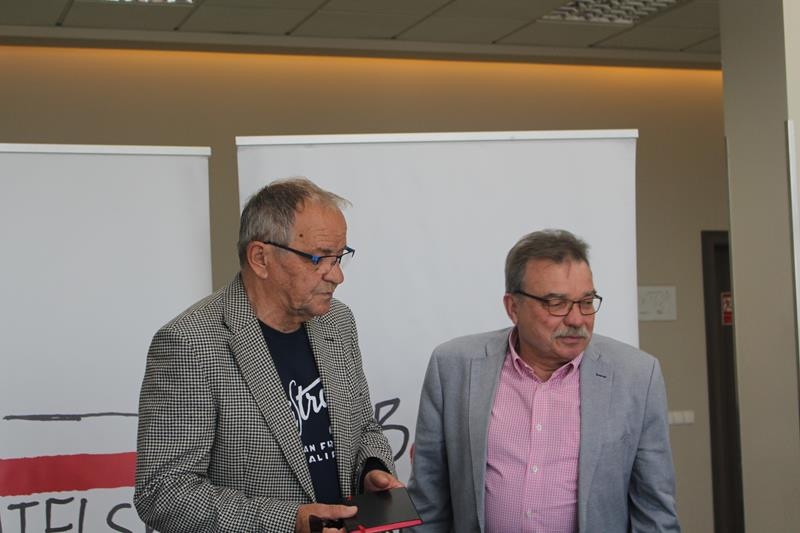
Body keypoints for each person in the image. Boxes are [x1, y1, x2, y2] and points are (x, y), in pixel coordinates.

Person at [134, 177, 401, 533]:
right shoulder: (189, 344)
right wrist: (291, 522)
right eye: (319, 258)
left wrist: (372, 470)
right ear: (260, 258)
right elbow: (163, 492)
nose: (337, 276)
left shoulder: (337, 322)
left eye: (340, 257)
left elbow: (364, 426)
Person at [407, 229, 680, 533]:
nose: (576, 319)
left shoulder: (637, 376)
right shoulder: (453, 367)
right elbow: (427, 503)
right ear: (513, 307)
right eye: (556, 303)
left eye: (586, 301)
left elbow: (655, 511)